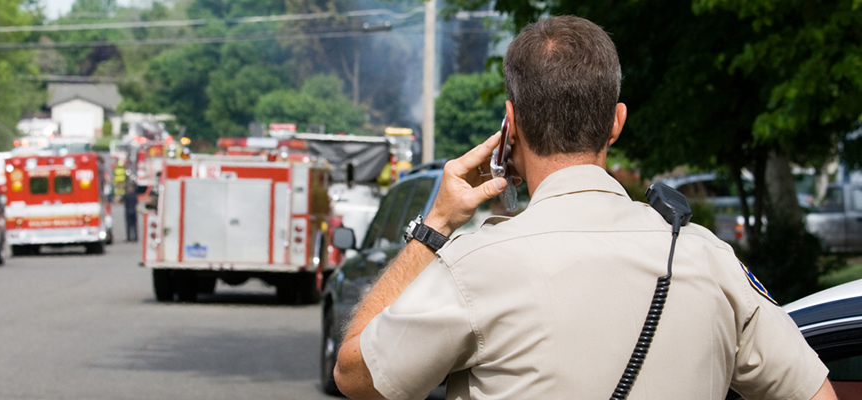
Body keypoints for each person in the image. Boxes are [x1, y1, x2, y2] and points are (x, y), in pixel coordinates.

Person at [333, 16, 836, 400]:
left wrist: (437, 223)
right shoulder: (710, 258)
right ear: (616, 122)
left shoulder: (473, 267)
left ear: (511, 124)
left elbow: (355, 375)